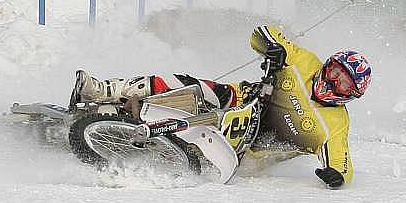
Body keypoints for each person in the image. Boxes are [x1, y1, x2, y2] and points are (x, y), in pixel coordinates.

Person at [72, 25, 372, 189]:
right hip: (242, 99)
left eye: (343, 84)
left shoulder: (335, 125)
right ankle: (106, 91)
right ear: (328, 64)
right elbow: (264, 32)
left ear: (350, 95)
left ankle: (154, 160)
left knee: (203, 152)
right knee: (185, 84)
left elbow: (343, 166)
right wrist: (274, 48)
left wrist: (336, 175)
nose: (333, 81)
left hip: (251, 149)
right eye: (334, 71)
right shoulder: (304, 61)